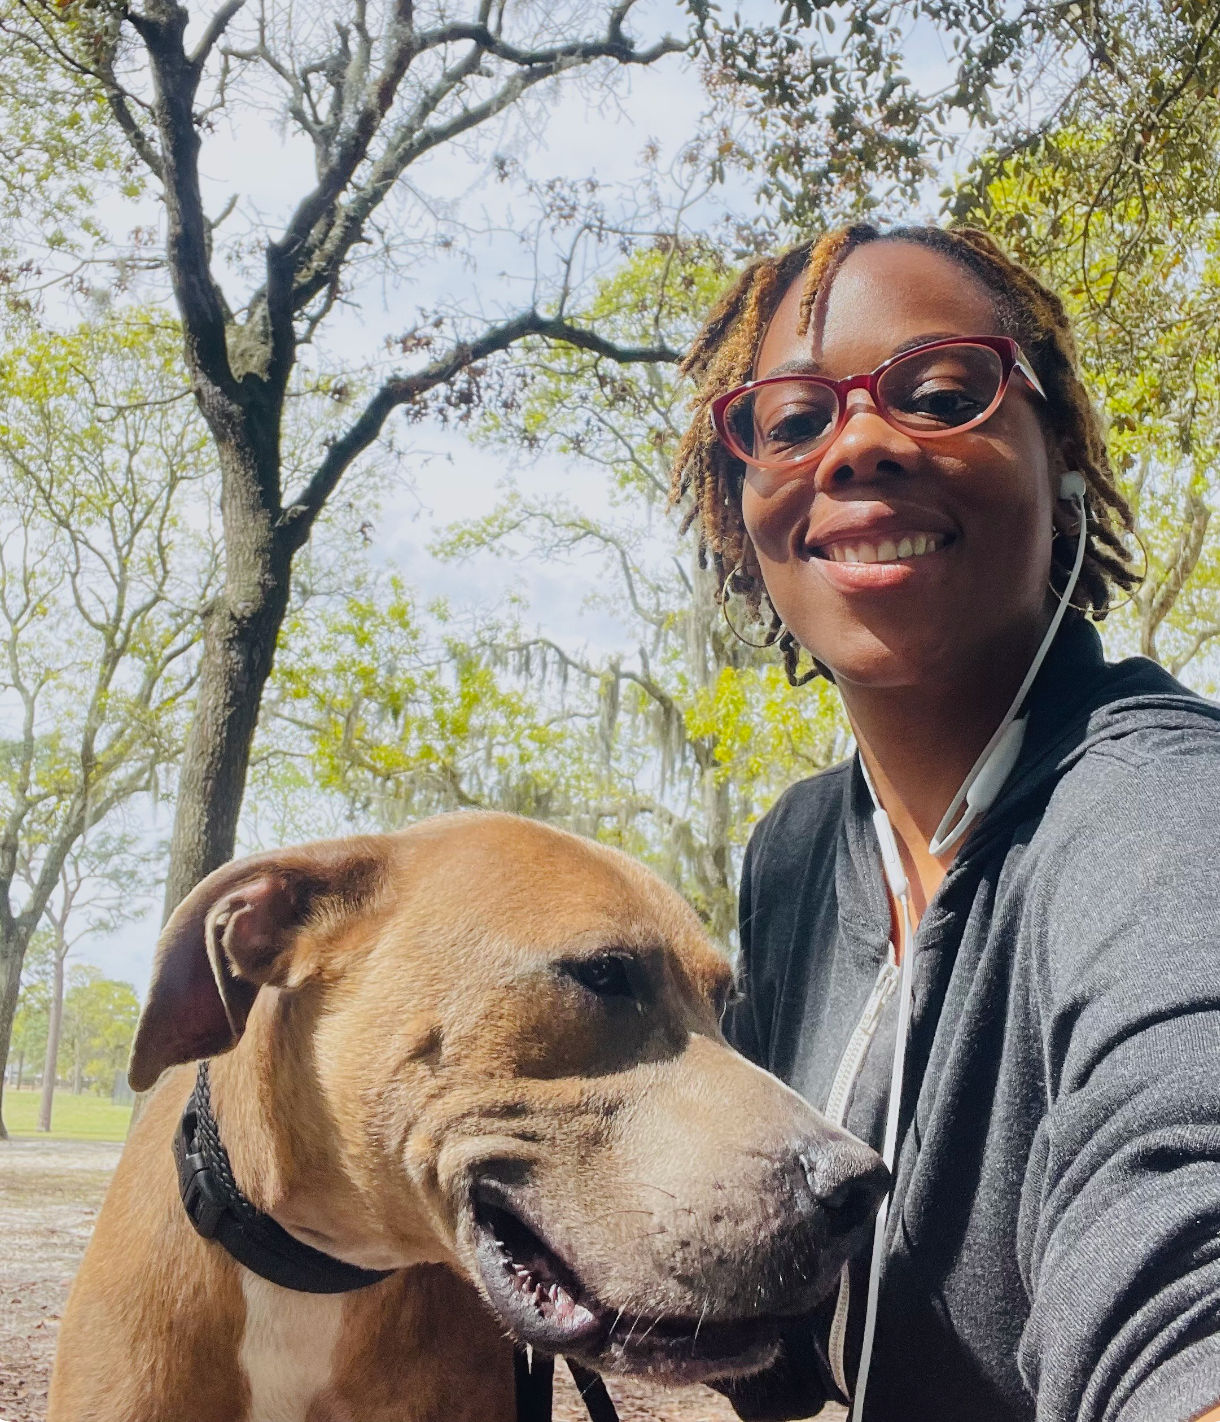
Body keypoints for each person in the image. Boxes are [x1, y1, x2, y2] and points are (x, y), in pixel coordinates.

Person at [670, 223, 1220, 1422]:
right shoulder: (796, 854)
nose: (857, 442)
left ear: (1059, 458)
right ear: (737, 514)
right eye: (790, 421)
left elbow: (1182, 1217)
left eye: (937, 395)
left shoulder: (1164, 813)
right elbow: (785, 1339)